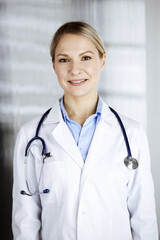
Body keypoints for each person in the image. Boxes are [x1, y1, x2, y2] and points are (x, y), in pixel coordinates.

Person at [12, 21, 158, 240]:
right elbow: (26, 223)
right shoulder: (30, 136)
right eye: (64, 60)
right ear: (53, 65)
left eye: (86, 57)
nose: (74, 69)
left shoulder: (132, 134)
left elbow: (144, 221)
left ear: (102, 60)